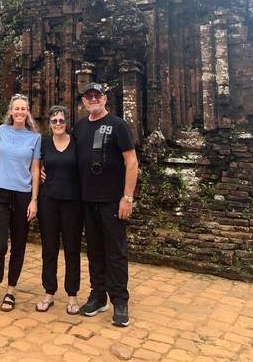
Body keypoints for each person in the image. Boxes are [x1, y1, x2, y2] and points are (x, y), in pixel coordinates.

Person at [74, 82, 138, 328]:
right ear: (83, 101)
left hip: (112, 200)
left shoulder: (118, 125)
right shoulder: (79, 127)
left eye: (97, 95)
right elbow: (68, 156)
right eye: (89, 96)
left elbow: (131, 162)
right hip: (87, 200)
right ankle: (98, 295)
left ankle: (120, 300)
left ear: (105, 99)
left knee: (116, 251)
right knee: (94, 250)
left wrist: (127, 197)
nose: (93, 99)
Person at [0, 94, 41, 314]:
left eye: (23, 109)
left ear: (28, 112)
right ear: (11, 111)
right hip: (0, 192)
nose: (19, 112)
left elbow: (35, 170)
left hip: (23, 195)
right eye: (16, 108)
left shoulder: (34, 138)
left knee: (18, 245)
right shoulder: (0, 131)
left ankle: (11, 289)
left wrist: (34, 200)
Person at [36, 105, 83, 315]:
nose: (57, 124)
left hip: (73, 202)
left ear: (67, 123)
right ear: (49, 123)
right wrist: (39, 174)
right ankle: (49, 292)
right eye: (54, 120)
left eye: (61, 120)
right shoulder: (44, 143)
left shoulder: (76, 142)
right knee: (49, 248)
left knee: (72, 249)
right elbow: (35, 167)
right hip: (49, 201)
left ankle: (72, 294)